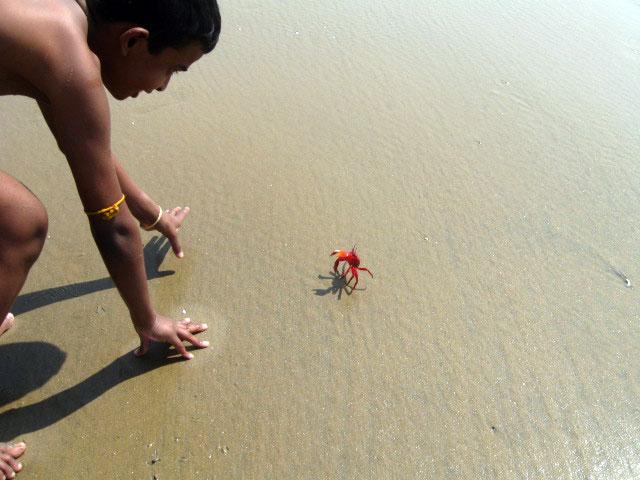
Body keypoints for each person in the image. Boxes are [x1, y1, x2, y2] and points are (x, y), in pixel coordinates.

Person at [0, 0, 221, 476]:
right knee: (18, 223)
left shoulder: (61, 26)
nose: (162, 86)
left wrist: (149, 212)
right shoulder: (72, 62)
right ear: (133, 40)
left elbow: (81, 138)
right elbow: (111, 228)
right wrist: (149, 321)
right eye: (172, 69)